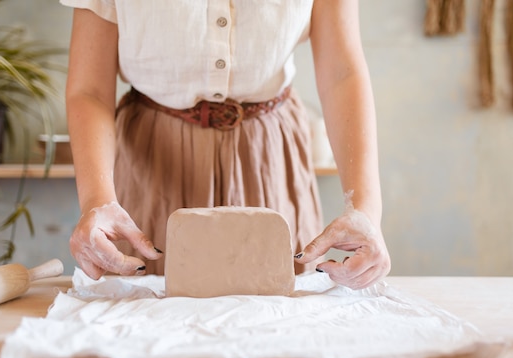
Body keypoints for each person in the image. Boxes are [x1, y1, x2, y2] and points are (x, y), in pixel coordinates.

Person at [62, 0, 391, 290]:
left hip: (268, 156)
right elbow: (90, 89)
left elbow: (341, 74)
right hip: (151, 159)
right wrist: (96, 199)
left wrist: (364, 209)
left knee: (277, 325)